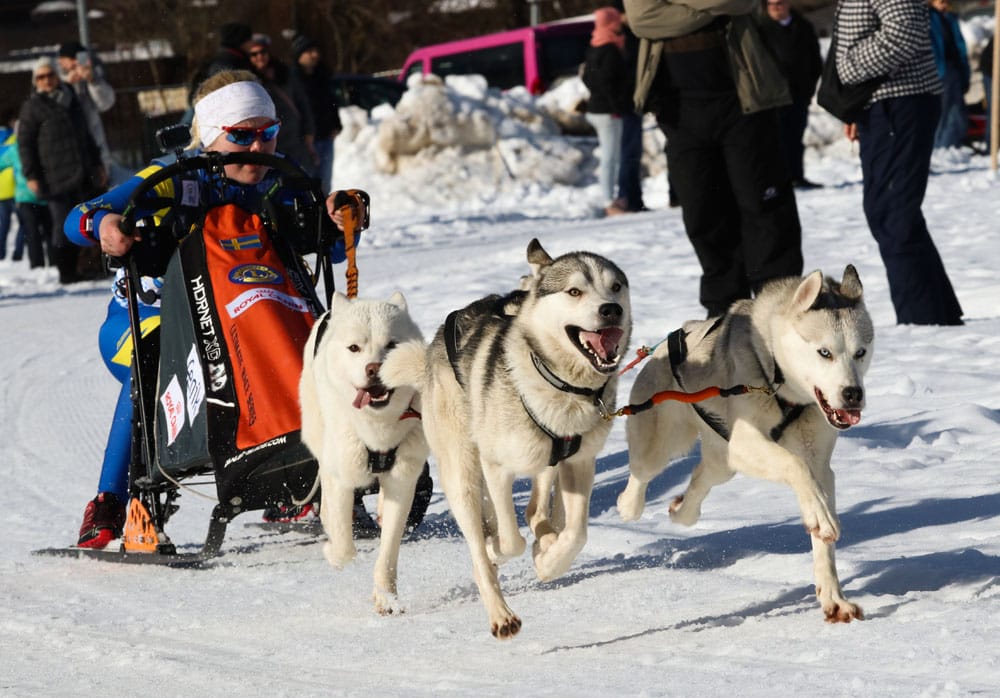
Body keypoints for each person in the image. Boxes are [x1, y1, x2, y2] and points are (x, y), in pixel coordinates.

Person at [63, 70, 351, 549]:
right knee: (150, 363)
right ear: (213, 134)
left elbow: (334, 251)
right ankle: (111, 501)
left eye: (269, 133)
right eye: (242, 135)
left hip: (232, 326)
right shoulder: (173, 176)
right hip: (138, 324)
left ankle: (293, 472)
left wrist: (339, 221)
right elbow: (80, 217)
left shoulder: (276, 184)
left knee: (294, 345)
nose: (259, 148)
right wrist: (106, 223)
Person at [624, 0, 803, 317]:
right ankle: (725, 315)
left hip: (743, 98)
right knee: (704, 215)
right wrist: (710, 9)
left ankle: (779, 309)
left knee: (764, 208)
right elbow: (643, 18)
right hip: (678, 109)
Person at [836, 0, 963, 325]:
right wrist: (852, 100)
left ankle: (924, 322)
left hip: (901, 101)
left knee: (894, 216)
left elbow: (902, 31)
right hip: (882, 103)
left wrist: (849, 69)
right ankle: (938, 313)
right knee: (891, 213)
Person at [18, 56, 106, 284]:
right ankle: (67, 271)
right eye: (41, 77)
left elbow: (86, 133)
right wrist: (31, 175)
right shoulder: (32, 107)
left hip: (83, 171)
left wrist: (97, 163)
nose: (47, 80)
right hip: (54, 176)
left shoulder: (71, 98)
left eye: (50, 75)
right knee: (63, 225)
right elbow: (25, 144)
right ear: (35, 81)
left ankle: (92, 265)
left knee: (89, 219)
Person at [756, 0, 823, 188]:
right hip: (771, 97)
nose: (776, 7)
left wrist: (808, 89)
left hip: (798, 94)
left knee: (794, 138)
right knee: (773, 140)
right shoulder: (760, 29)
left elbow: (815, 61)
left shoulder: (803, 27)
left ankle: (796, 176)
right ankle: (776, 181)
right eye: (771, 4)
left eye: (779, 3)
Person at [582, 6, 633, 216]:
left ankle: (611, 198)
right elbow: (609, 81)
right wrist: (615, 105)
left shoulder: (594, 44)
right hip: (607, 112)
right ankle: (608, 201)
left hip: (595, 108)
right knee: (611, 158)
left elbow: (587, 77)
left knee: (610, 156)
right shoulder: (610, 48)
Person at [247, 33, 316, 171]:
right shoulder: (247, 80)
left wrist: (309, 131)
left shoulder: (283, 72)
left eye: (263, 52)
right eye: (254, 54)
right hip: (268, 137)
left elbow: (302, 102)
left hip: (293, 137)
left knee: (300, 176)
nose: (259, 57)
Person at [290, 35, 343, 192]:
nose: (314, 55)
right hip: (304, 141)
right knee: (306, 182)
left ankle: (324, 213)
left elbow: (332, 103)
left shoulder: (323, 75)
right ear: (299, 54)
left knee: (324, 182)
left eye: (315, 51)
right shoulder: (291, 80)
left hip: (325, 135)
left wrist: (336, 124)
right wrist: (302, 134)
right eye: (309, 51)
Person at [57, 41, 117, 179]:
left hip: (93, 150)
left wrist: (92, 80)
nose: (74, 63)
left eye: (77, 59)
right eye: (71, 59)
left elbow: (106, 103)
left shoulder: (90, 76)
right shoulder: (52, 79)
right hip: (65, 153)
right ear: (61, 61)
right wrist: (67, 85)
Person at [0, 123, 51, 267]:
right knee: (44, 231)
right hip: (37, 195)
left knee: (31, 231)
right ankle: (41, 263)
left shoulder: (14, 148)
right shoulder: (34, 145)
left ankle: (37, 265)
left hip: (25, 196)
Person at [615, 10, 648, 213]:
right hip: (626, 107)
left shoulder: (627, 38)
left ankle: (632, 199)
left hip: (629, 105)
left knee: (630, 155)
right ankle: (628, 199)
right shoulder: (617, 44)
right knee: (628, 155)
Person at [927, 0, 970, 149]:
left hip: (954, 69)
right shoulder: (928, 18)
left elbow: (960, 46)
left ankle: (951, 146)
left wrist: (965, 71)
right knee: (943, 112)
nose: (944, 5)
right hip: (939, 70)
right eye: (941, 2)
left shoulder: (950, 18)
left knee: (956, 112)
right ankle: (941, 146)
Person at [0, 113, 16, 261]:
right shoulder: (14, 139)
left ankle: (1, 253)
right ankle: (18, 254)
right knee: (24, 224)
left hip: (1, 191)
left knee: (3, 225)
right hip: (15, 188)